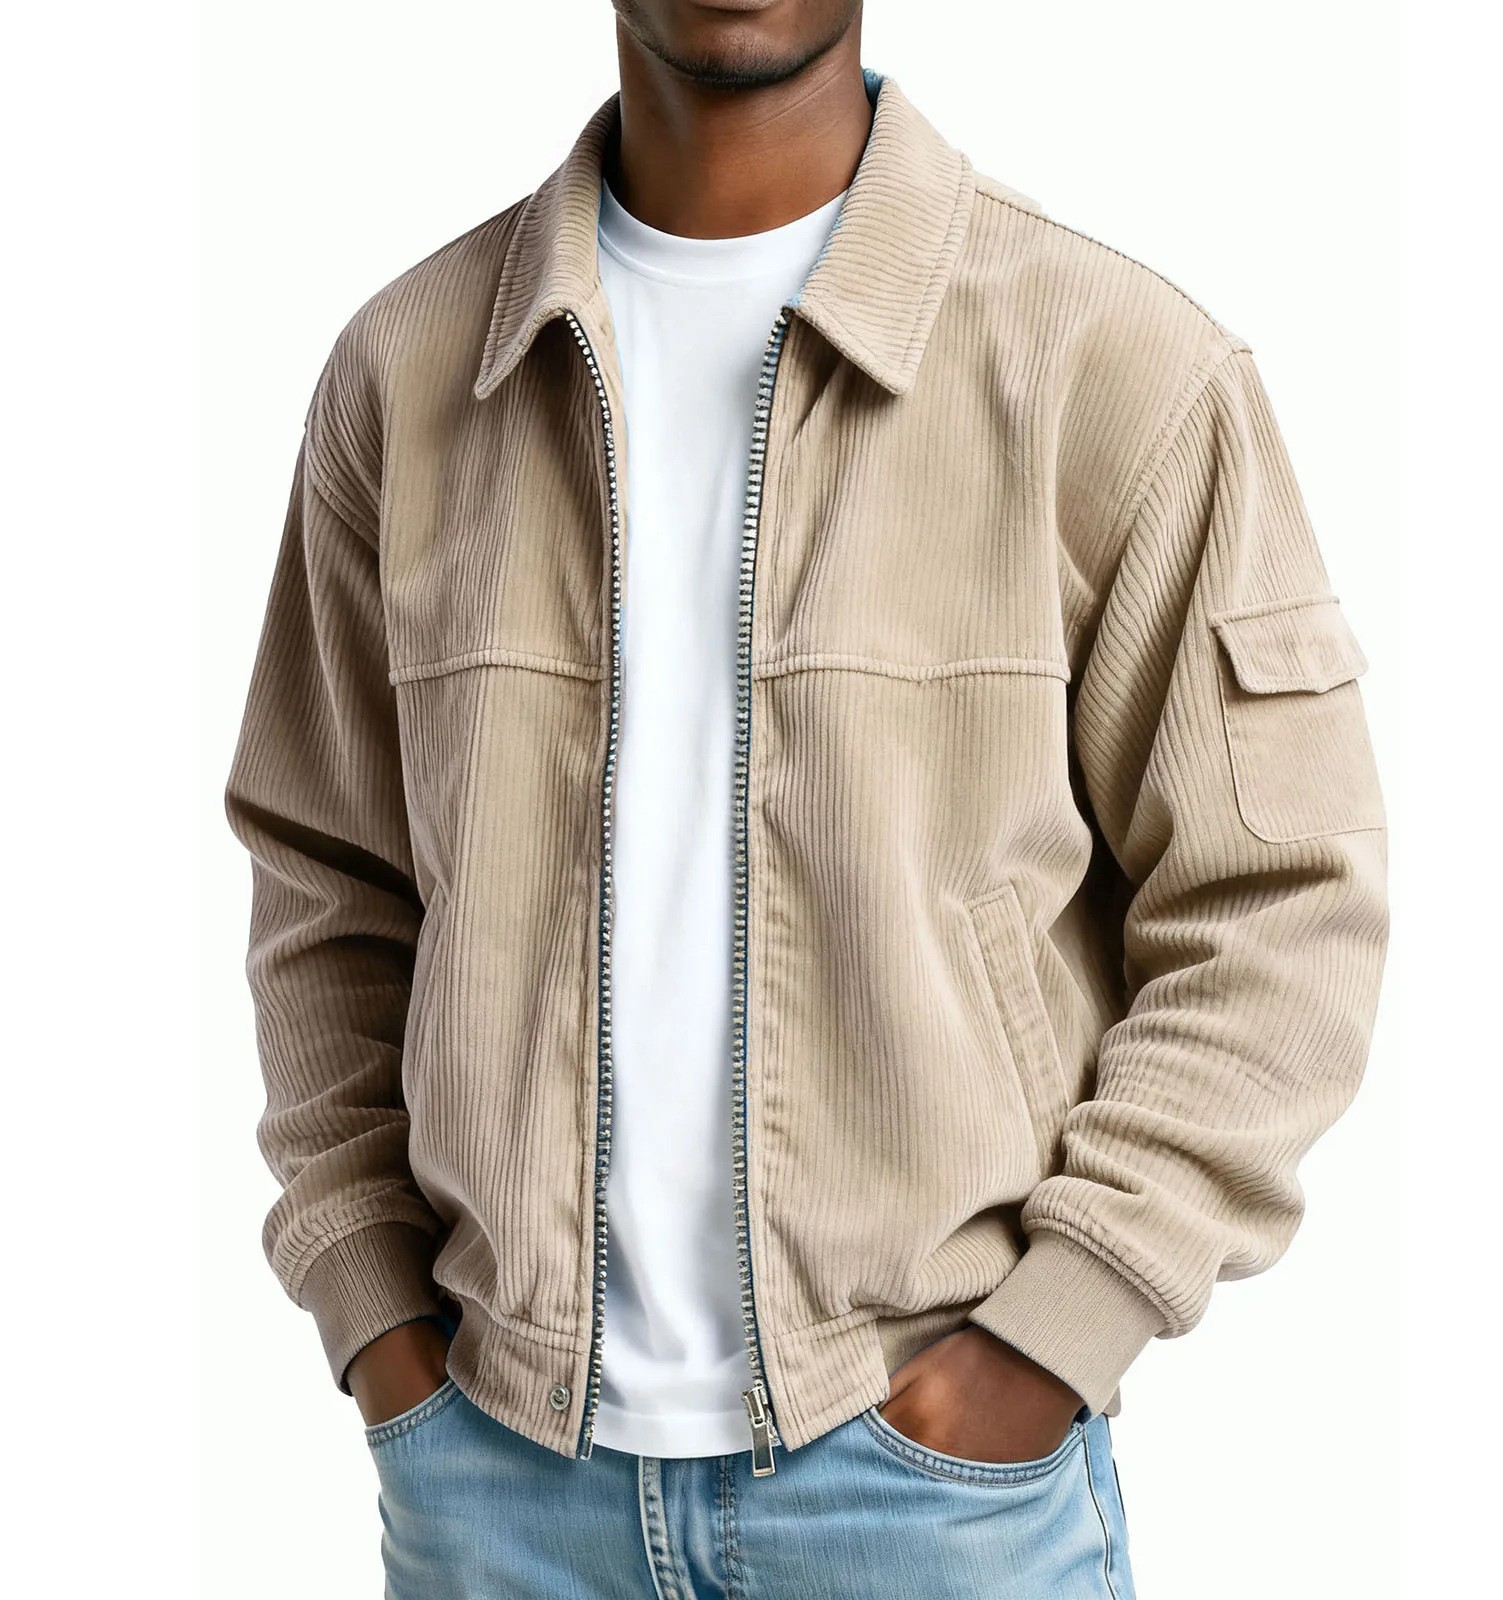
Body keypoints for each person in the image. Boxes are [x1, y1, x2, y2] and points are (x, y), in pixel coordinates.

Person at [223, 4, 1389, 1596]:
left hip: (930, 1492)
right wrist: (379, 1323)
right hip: (498, 1485)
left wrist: (1056, 1332)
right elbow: (327, 889)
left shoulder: (1111, 362)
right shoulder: (408, 372)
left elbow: (1283, 899)